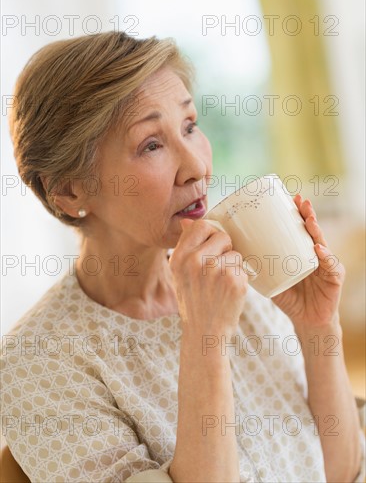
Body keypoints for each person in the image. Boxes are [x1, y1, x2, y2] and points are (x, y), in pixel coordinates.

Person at [1, 31, 364, 483]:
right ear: (71, 190)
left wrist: (317, 328)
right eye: (151, 144)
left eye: (190, 125)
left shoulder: (244, 279)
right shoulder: (39, 363)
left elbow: (341, 472)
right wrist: (205, 337)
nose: (197, 166)